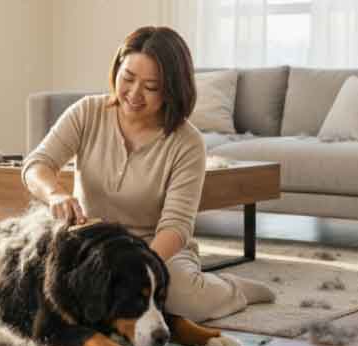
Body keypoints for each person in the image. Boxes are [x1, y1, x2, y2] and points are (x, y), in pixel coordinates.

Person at [21, 26, 275, 322]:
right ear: (117, 68)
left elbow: (176, 226)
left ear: (172, 90)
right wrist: (55, 193)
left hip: (156, 249)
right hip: (92, 243)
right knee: (37, 288)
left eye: (151, 87)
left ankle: (232, 290)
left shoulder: (187, 142)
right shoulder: (87, 112)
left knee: (181, 301)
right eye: (127, 78)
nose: (134, 94)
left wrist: (141, 268)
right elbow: (36, 165)